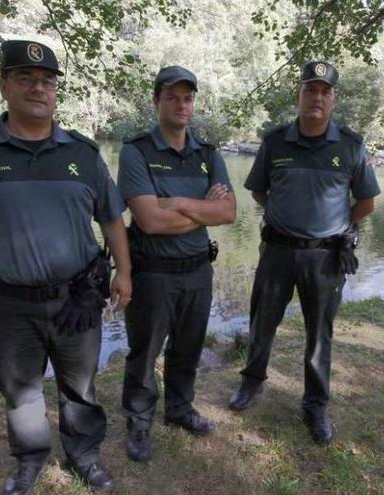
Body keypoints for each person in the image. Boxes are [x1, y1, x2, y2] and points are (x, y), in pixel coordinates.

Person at [0, 40, 131, 494]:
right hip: (7, 303)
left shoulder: (83, 154)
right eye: (26, 79)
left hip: (77, 298)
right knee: (21, 391)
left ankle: (85, 457)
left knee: (80, 387)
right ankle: (30, 460)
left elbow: (113, 219)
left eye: (47, 82)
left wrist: (125, 273)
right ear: (4, 86)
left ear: (56, 93)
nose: (38, 88)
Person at [228, 61, 380, 445]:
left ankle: (315, 404)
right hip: (277, 251)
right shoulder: (275, 142)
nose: (317, 97)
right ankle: (251, 382)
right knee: (262, 321)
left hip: (326, 259)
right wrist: (286, 218)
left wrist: (342, 228)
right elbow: (259, 191)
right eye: (310, 90)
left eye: (324, 92)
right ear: (298, 97)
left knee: (319, 334)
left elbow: (366, 202)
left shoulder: (350, 145)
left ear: (333, 100)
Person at [117, 66, 236, 462]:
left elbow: (230, 212)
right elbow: (149, 220)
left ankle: (180, 409)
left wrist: (180, 203)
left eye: (188, 97)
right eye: (172, 96)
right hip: (153, 274)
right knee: (145, 351)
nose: (181, 104)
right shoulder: (137, 152)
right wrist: (205, 208)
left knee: (188, 348)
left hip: (199, 271)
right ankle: (139, 420)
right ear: (157, 101)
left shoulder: (208, 154)